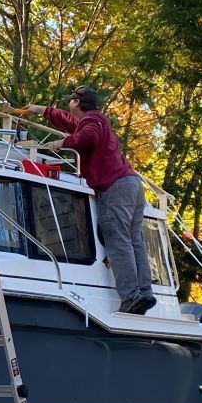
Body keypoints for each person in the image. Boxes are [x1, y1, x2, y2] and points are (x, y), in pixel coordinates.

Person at [26, 86, 156, 315]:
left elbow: (87, 137)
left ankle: (131, 296)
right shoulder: (93, 120)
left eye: (71, 101)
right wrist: (41, 110)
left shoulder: (92, 122)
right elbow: (67, 121)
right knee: (134, 239)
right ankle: (144, 292)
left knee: (117, 237)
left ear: (76, 102)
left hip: (114, 186)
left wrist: (62, 144)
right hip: (131, 185)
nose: (69, 105)